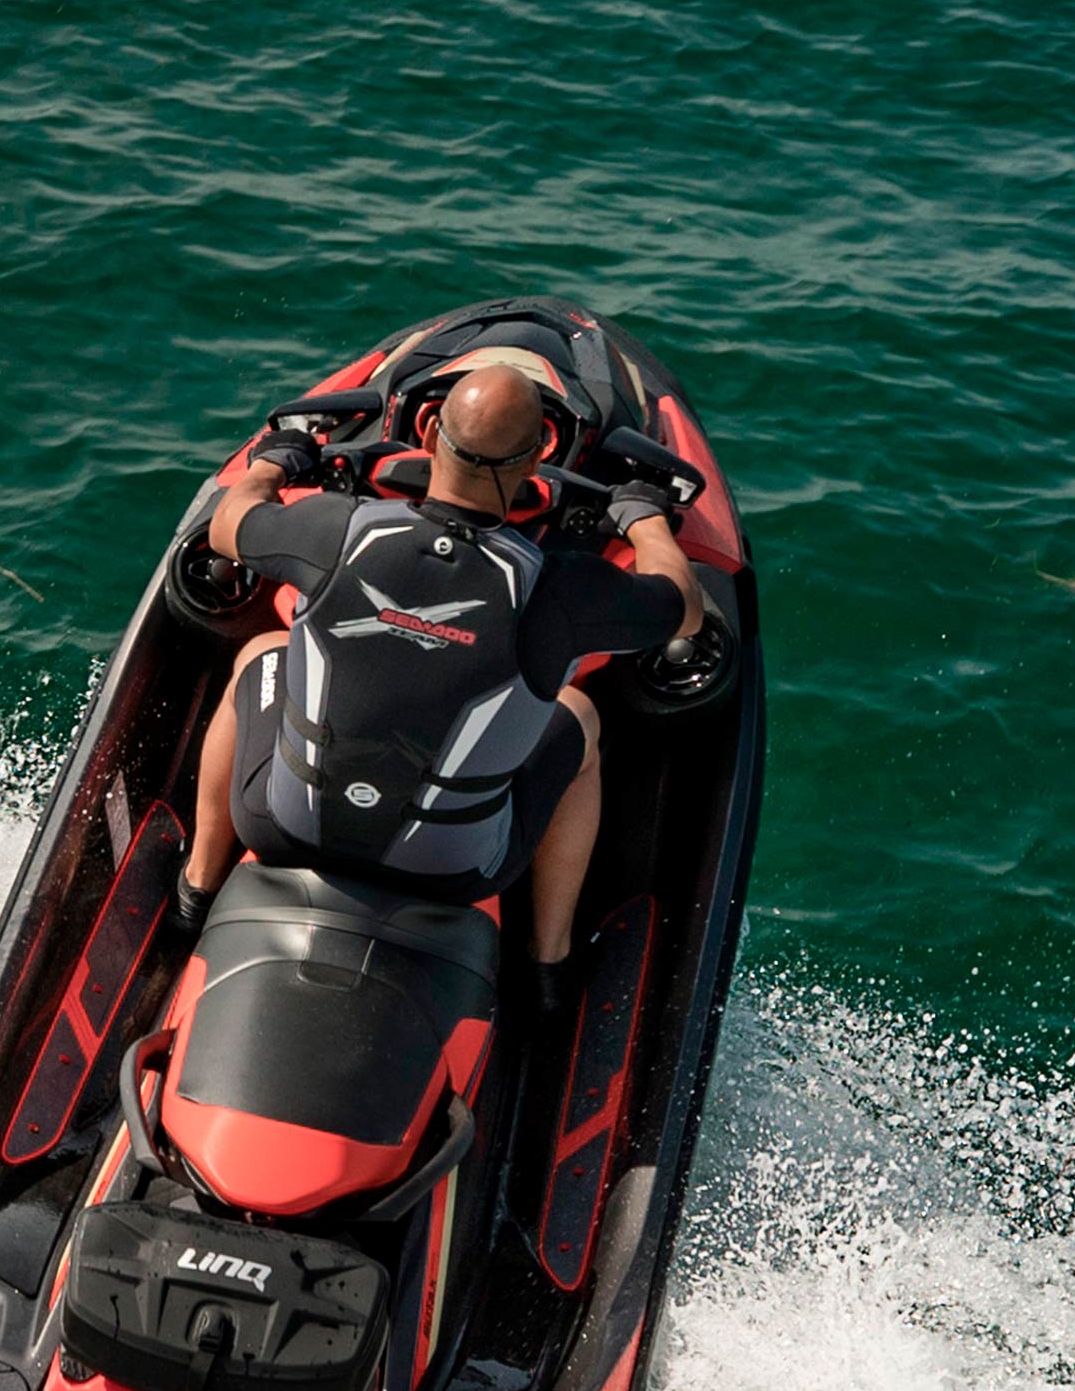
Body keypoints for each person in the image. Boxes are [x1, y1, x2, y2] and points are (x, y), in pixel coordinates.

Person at [177, 359, 699, 1011]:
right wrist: (641, 514)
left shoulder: (338, 530)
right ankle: (549, 962)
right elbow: (683, 605)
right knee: (580, 718)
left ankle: (197, 887)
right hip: (456, 875)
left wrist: (277, 461)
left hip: (282, 830)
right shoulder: (559, 591)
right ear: (537, 458)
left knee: (262, 650)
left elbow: (229, 525)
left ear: (427, 438)